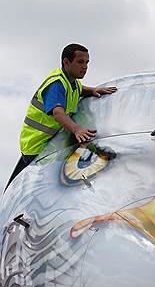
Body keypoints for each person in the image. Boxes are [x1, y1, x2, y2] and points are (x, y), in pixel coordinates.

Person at [5, 43, 117, 189]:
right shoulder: (56, 84)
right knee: (56, 185)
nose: (85, 67)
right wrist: (77, 129)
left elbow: (78, 89)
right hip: (38, 147)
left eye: (87, 62)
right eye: (80, 62)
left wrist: (93, 90)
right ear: (66, 62)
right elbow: (58, 113)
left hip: (54, 140)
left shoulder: (71, 82)